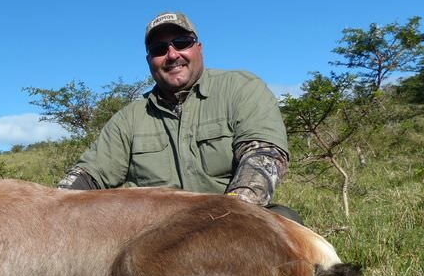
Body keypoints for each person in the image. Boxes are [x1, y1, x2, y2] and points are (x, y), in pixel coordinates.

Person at [58, 11, 299, 221]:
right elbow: (88, 175)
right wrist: (53, 208)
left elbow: (263, 155)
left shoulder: (241, 88)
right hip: (151, 234)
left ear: (199, 48)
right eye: (159, 49)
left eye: (181, 42)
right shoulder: (129, 118)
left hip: (232, 219)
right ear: (149, 60)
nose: (172, 55)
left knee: (287, 223)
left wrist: (229, 217)